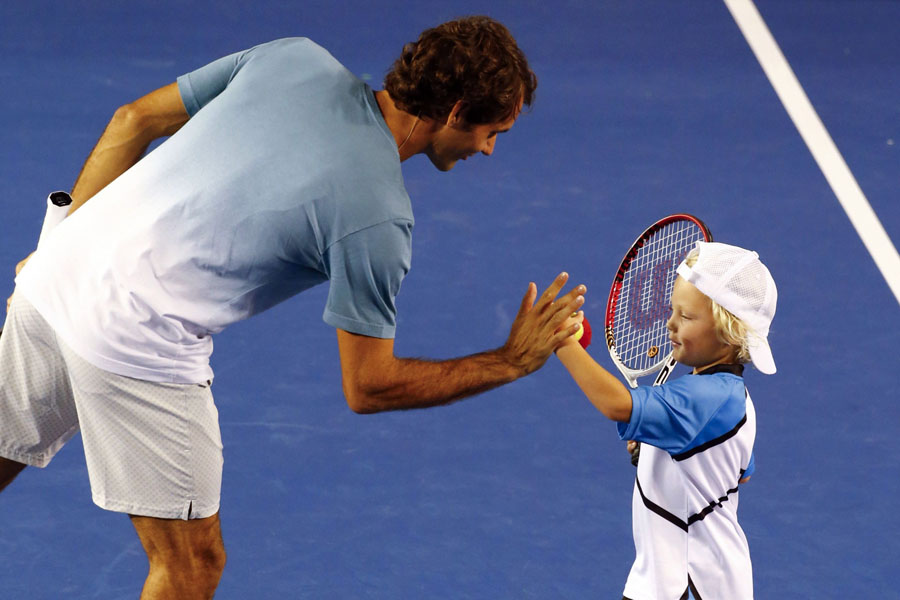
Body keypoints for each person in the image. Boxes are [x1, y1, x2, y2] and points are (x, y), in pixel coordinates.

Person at [0, 17, 586, 599]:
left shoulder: (292, 57)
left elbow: (132, 120)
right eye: (493, 131)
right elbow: (369, 386)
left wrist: (60, 242)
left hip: (53, 276)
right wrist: (510, 361)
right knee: (191, 565)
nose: (488, 149)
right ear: (456, 112)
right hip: (132, 338)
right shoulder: (378, 216)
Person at [555, 242, 778, 599]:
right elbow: (740, 472)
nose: (670, 323)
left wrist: (563, 342)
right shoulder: (732, 399)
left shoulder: (702, 398)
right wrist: (660, 455)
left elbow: (616, 404)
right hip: (691, 581)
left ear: (728, 333)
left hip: (685, 584)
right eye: (673, 310)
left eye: (686, 317)